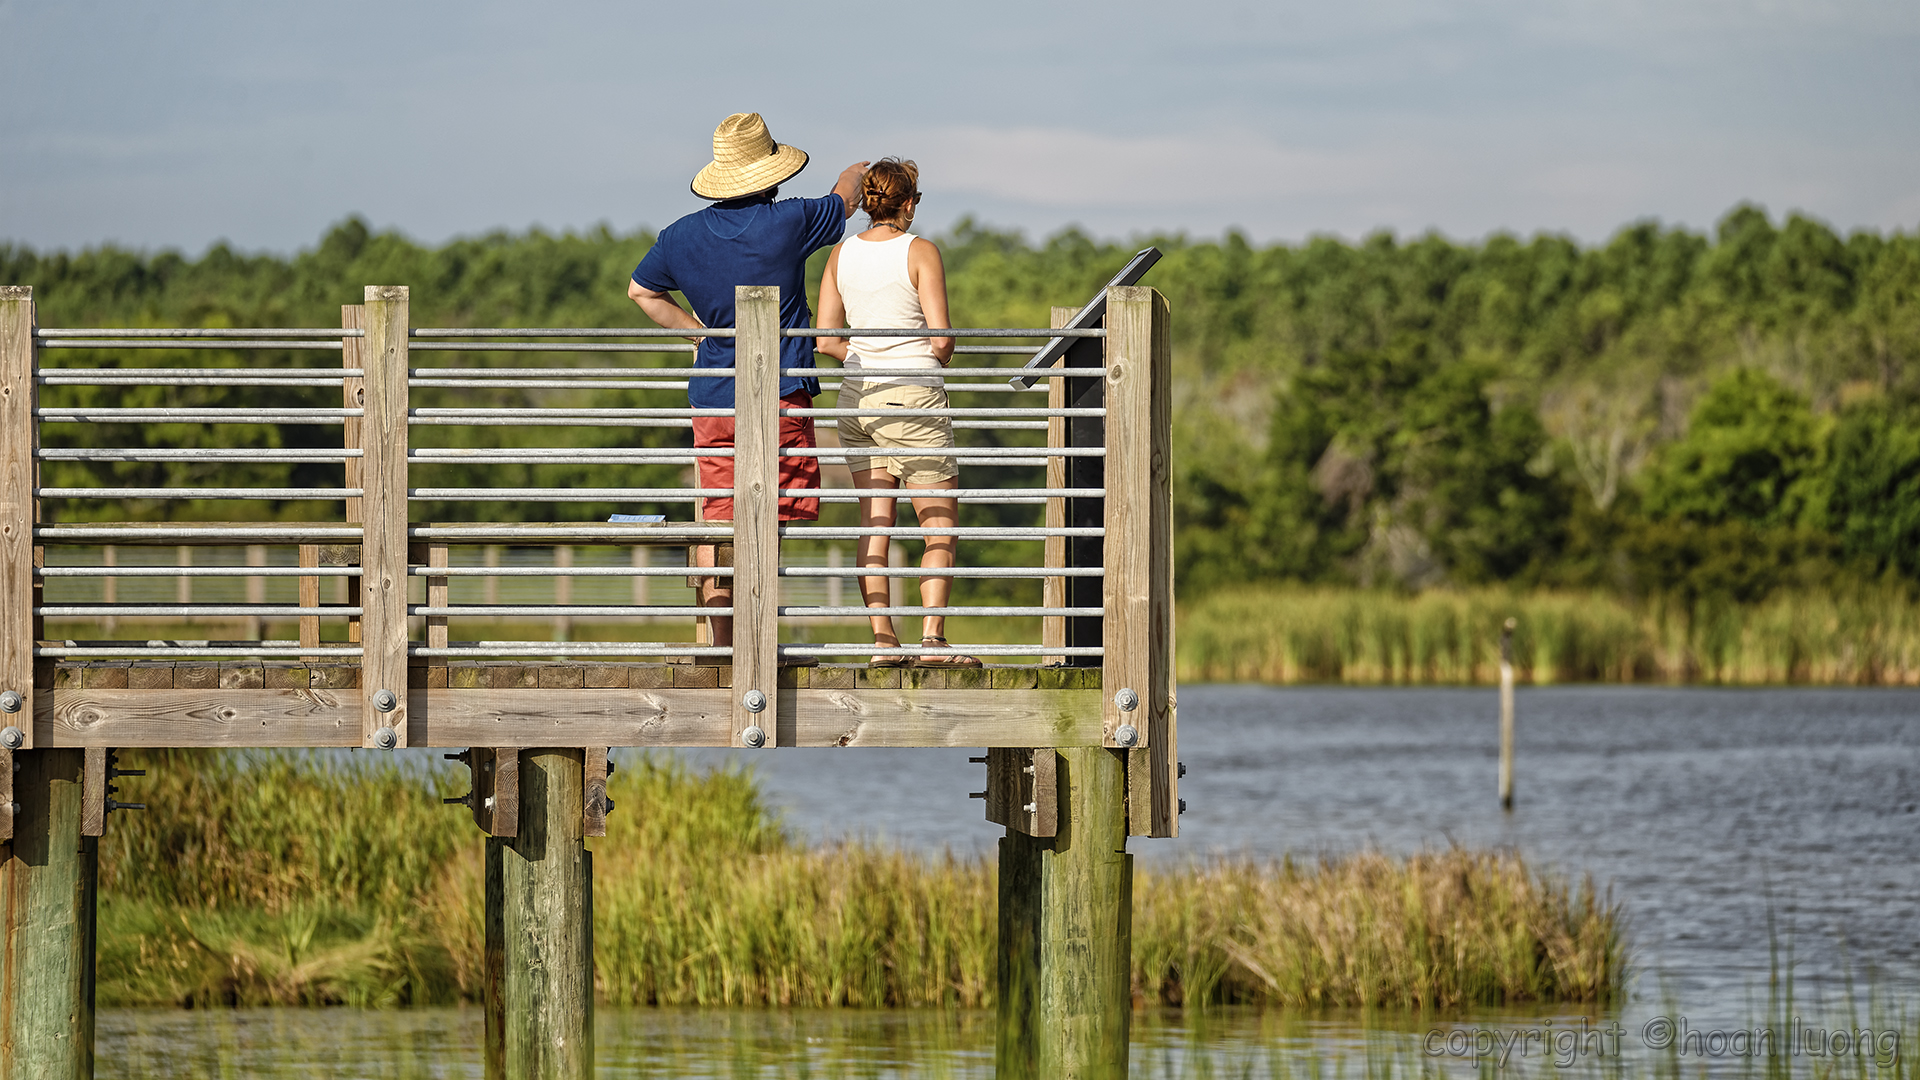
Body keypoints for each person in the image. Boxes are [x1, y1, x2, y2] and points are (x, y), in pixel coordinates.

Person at [627, 113, 868, 648]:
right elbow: (846, 198)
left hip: (713, 396)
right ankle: (757, 639)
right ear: (772, 172)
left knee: (719, 515)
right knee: (772, 515)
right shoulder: (791, 221)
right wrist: (859, 171)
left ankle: (723, 639)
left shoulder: (678, 236)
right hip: (780, 394)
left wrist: (699, 333)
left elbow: (640, 292)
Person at [817, 159, 981, 669]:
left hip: (857, 399)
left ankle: (883, 642)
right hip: (914, 398)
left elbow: (825, 340)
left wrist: (867, 358)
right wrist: (921, 361)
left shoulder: (839, 255)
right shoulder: (921, 252)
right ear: (907, 202)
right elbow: (942, 339)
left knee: (875, 524)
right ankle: (932, 641)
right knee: (938, 525)